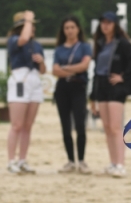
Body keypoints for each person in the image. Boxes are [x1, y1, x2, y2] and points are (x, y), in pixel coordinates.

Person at [90, 11, 131, 178]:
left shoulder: (122, 43)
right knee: (106, 128)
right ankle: (113, 163)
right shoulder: (100, 43)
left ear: (115, 25)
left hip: (115, 87)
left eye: (109, 22)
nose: (105, 25)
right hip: (101, 86)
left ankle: (120, 164)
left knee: (115, 127)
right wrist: (92, 96)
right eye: (103, 22)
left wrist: (124, 77)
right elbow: (96, 70)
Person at [6, 10, 46, 174]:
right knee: (17, 125)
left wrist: (42, 62)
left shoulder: (37, 45)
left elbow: (43, 70)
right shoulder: (14, 40)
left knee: (27, 125)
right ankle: (11, 160)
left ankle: (22, 159)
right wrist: (28, 21)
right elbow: (23, 39)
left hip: (34, 79)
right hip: (20, 79)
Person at [52, 16, 93, 174]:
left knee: (80, 124)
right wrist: (73, 68)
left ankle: (81, 160)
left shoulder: (84, 46)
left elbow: (84, 66)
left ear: (78, 29)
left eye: (72, 27)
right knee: (65, 125)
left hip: (78, 87)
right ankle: (70, 160)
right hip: (62, 88)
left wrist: (65, 68)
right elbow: (55, 70)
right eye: (66, 28)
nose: (69, 30)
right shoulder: (59, 49)